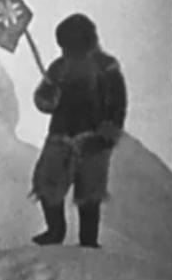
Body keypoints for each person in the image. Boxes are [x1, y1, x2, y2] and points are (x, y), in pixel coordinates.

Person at [31, 13, 127, 248]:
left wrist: (108, 134)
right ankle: (56, 230)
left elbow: (117, 103)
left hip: (94, 136)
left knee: (89, 191)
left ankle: (88, 239)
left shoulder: (106, 67)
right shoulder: (59, 68)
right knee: (47, 182)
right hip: (60, 135)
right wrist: (49, 95)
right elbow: (44, 100)